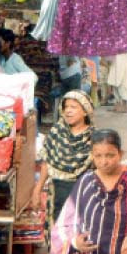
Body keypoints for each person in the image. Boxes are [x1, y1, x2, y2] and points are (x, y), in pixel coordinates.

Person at [31, 91, 94, 237]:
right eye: (66, 107)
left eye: (74, 107)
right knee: (58, 234)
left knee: (79, 235)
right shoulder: (56, 132)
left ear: (85, 111)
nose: (68, 111)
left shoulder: (93, 137)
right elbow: (47, 162)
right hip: (57, 193)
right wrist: (38, 189)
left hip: (81, 193)